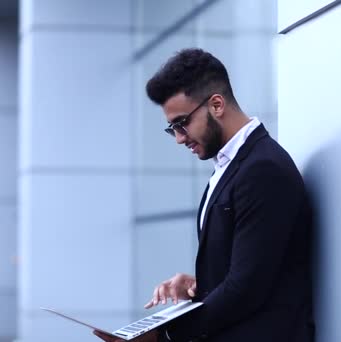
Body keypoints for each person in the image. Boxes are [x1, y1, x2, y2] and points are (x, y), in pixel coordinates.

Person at [94, 48, 314, 342]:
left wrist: (164, 336)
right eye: (172, 128)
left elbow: (246, 289)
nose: (179, 138)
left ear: (217, 104)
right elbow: (254, 266)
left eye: (182, 123)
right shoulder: (231, 166)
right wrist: (201, 285)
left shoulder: (263, 169)